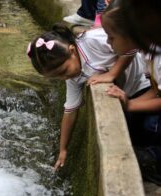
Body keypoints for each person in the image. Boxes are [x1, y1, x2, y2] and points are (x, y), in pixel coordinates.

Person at [26, 23, 150, 171]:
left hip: (145, 82)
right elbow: (70, 112)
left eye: (64, 71)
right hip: (127, 94)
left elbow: (131, 44)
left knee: (146, 129)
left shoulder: (92, 41)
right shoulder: (73, 78)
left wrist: (112, 74)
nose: (64, 78)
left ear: (72, 50)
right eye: (57, 77)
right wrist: (63, 149)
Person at [101, 0, 161, 184]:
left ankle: (154, 162)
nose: (107, 42)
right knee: (131, 120)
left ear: (131, 33)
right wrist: (127, 105)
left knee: (152, 124)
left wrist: (131, 104)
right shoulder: (148, 53)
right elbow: (155, 89)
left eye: (111, 37)